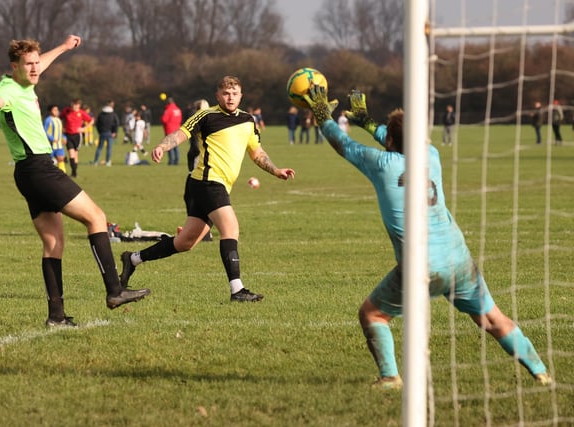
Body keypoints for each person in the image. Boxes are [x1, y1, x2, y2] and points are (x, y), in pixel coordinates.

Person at [302, 84, 552, 389]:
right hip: (458, 258)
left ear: (391, 141)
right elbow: (401, 140)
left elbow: (342, 143)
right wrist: (369, 123)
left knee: (373, 314)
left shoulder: (381, 163)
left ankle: (390, 377)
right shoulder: (432, 155)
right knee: (493, 319)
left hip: (420, 265)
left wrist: (322, 115)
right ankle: (540, 372)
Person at [0, 35, 150, 327]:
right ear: (13, 66)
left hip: (27, 173)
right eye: (28, 65)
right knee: (96, 218)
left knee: (54, 242)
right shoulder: (8, 89)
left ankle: (56, 316)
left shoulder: (25, 79)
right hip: (39, 169)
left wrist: (64, 47)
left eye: (35, 63)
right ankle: (115, 290)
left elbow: (40, 64)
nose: (35, 69)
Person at [119, 76, 295, 302]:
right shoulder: (206, 115)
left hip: (210, 185)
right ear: (218, 95)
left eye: (234, 93)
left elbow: (257, 152)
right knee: (230, 229)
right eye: (226, 93)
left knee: (185, 243)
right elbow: (181, 133)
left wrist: (276, 170)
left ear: (241, 96)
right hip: (207, 182)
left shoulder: (248, 120)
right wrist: (163, 146)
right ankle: (237, 290)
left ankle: (132, 259)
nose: (230, 97)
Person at [61, 98, 92, 177]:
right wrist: (62, 128)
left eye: (76, 105)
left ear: (79, 105)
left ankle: (74, 172)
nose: (74, 106)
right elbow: (60, 118)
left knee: (75, 154)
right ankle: (73, 172)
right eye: (73, 104)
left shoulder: (81, 113)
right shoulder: (67, 111)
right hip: (68, 135)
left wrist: (84, 128)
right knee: (71, 154)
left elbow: (91, 120)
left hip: (77, 136)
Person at [93, 100, 120, 166]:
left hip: (102, 133)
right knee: (109, 148)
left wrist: (99, 131)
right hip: (110, 133)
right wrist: (114, 132)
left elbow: (97, 124)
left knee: (99, 148)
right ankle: (108, 162)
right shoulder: (113, 114)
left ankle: (96, 161)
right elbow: (117, 123)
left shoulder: (101, 114)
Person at [187, 99, 209, 172]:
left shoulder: (196, 121)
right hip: (208, 152)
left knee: (194, 174)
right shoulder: (212, 119)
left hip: (198, 150)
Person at [43, 104, 67, 173]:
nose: (57, 111)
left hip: (59, 145)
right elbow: (45, 131)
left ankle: (63, 175)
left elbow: (60, 131)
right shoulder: (48, 120)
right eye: (54, 110)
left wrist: (64, 138)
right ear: (50, 111)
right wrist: (51, 138)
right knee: (50, 162)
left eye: (57, 110)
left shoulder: (58, 120)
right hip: (51, 145)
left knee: (61, 159)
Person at [161, 97, 182, 165]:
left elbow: (164, 119)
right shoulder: (178, 109)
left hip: (170, 129)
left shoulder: (168, 110)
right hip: (177, 129)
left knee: (169, 146)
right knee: (176, 145)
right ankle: (176, 160)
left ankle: (171, 161)